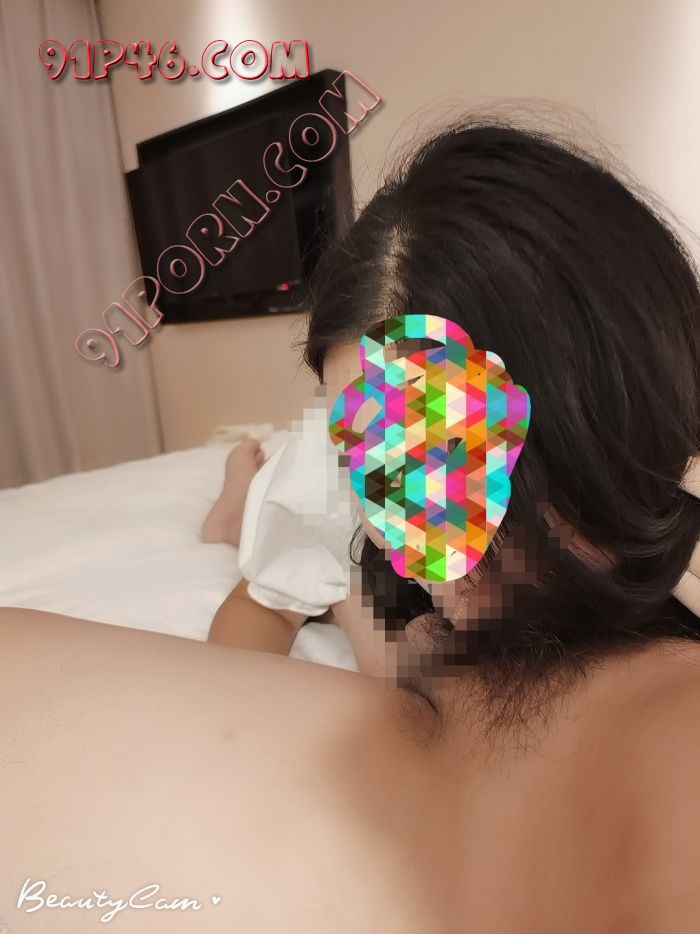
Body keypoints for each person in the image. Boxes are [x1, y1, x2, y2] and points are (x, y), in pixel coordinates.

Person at [1, 119, 700, 934]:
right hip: (310, 493)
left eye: (446, 448)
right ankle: (242, 489)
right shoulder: (341, 502)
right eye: (373, 452)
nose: (424, 545)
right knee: (263, 527)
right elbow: (256, 615)